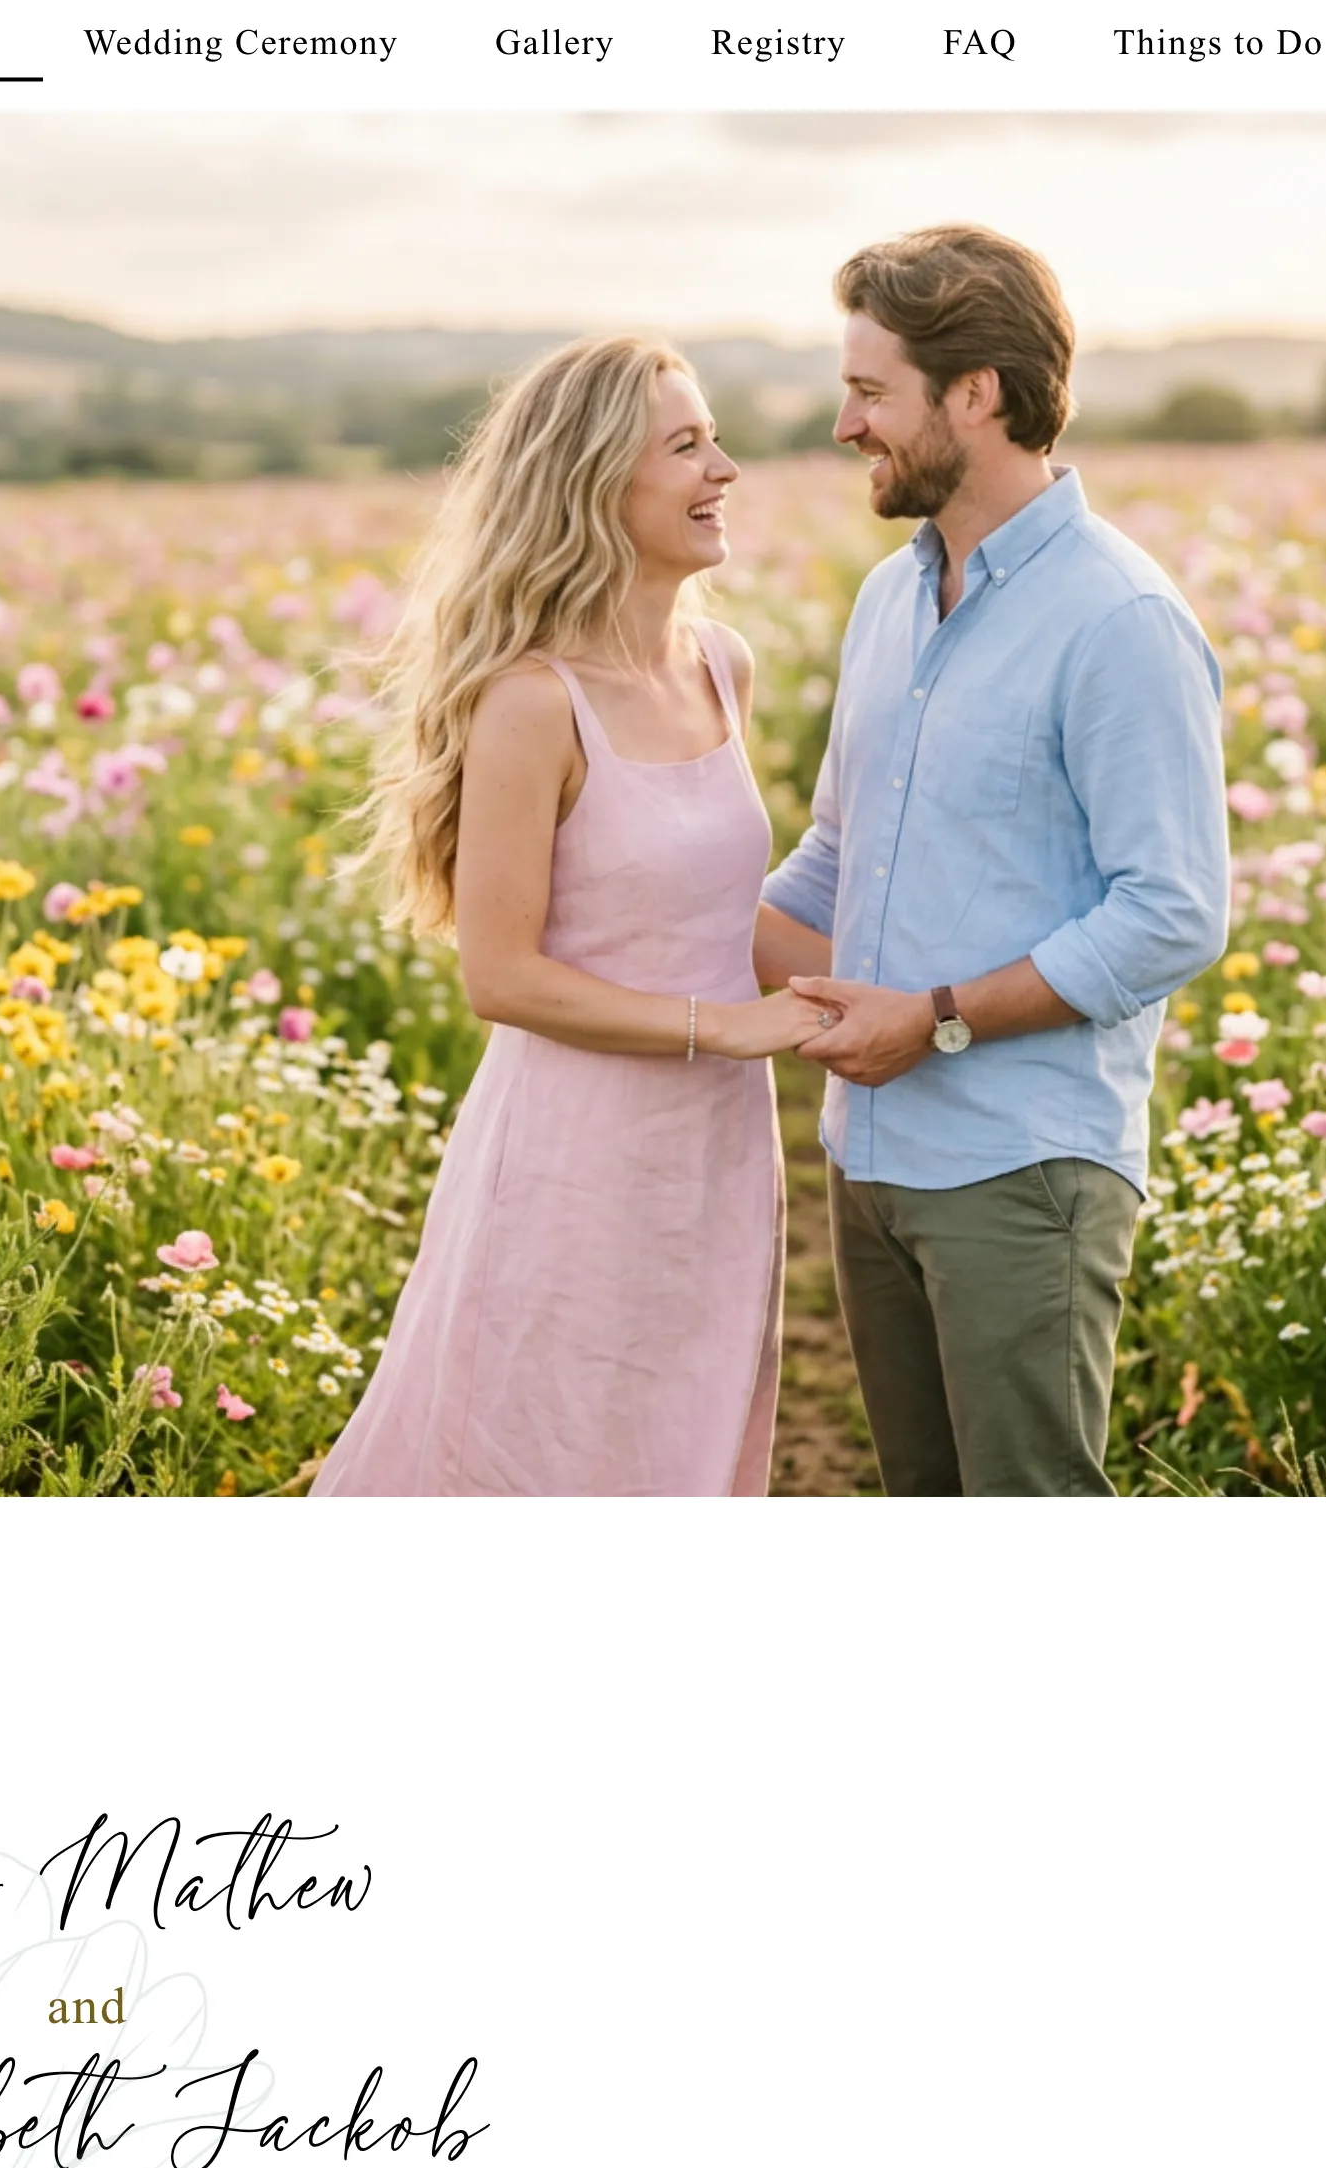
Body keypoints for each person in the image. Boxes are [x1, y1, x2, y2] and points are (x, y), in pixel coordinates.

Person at [756, 226, 1232, 1496]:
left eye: (870, 392)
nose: (845, 424)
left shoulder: (1117, 619)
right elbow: (832, 858)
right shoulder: (889, 600)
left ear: (975, 394)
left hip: (1021, 1170)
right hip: (868, 1157)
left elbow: (1174, 914)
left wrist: (939, 1020)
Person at [312, 337, 822, 1497]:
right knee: (542, 1451)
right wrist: (730, 1026)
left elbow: (709, 909)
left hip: (714, 1152)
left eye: (715, 440)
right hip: (574, 1157)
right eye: (686, 446)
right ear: (596, 481)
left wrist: (909, 985)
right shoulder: (532, 702)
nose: (725, 469)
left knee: (679, 1443)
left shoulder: (720, 668)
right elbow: (502, 976)